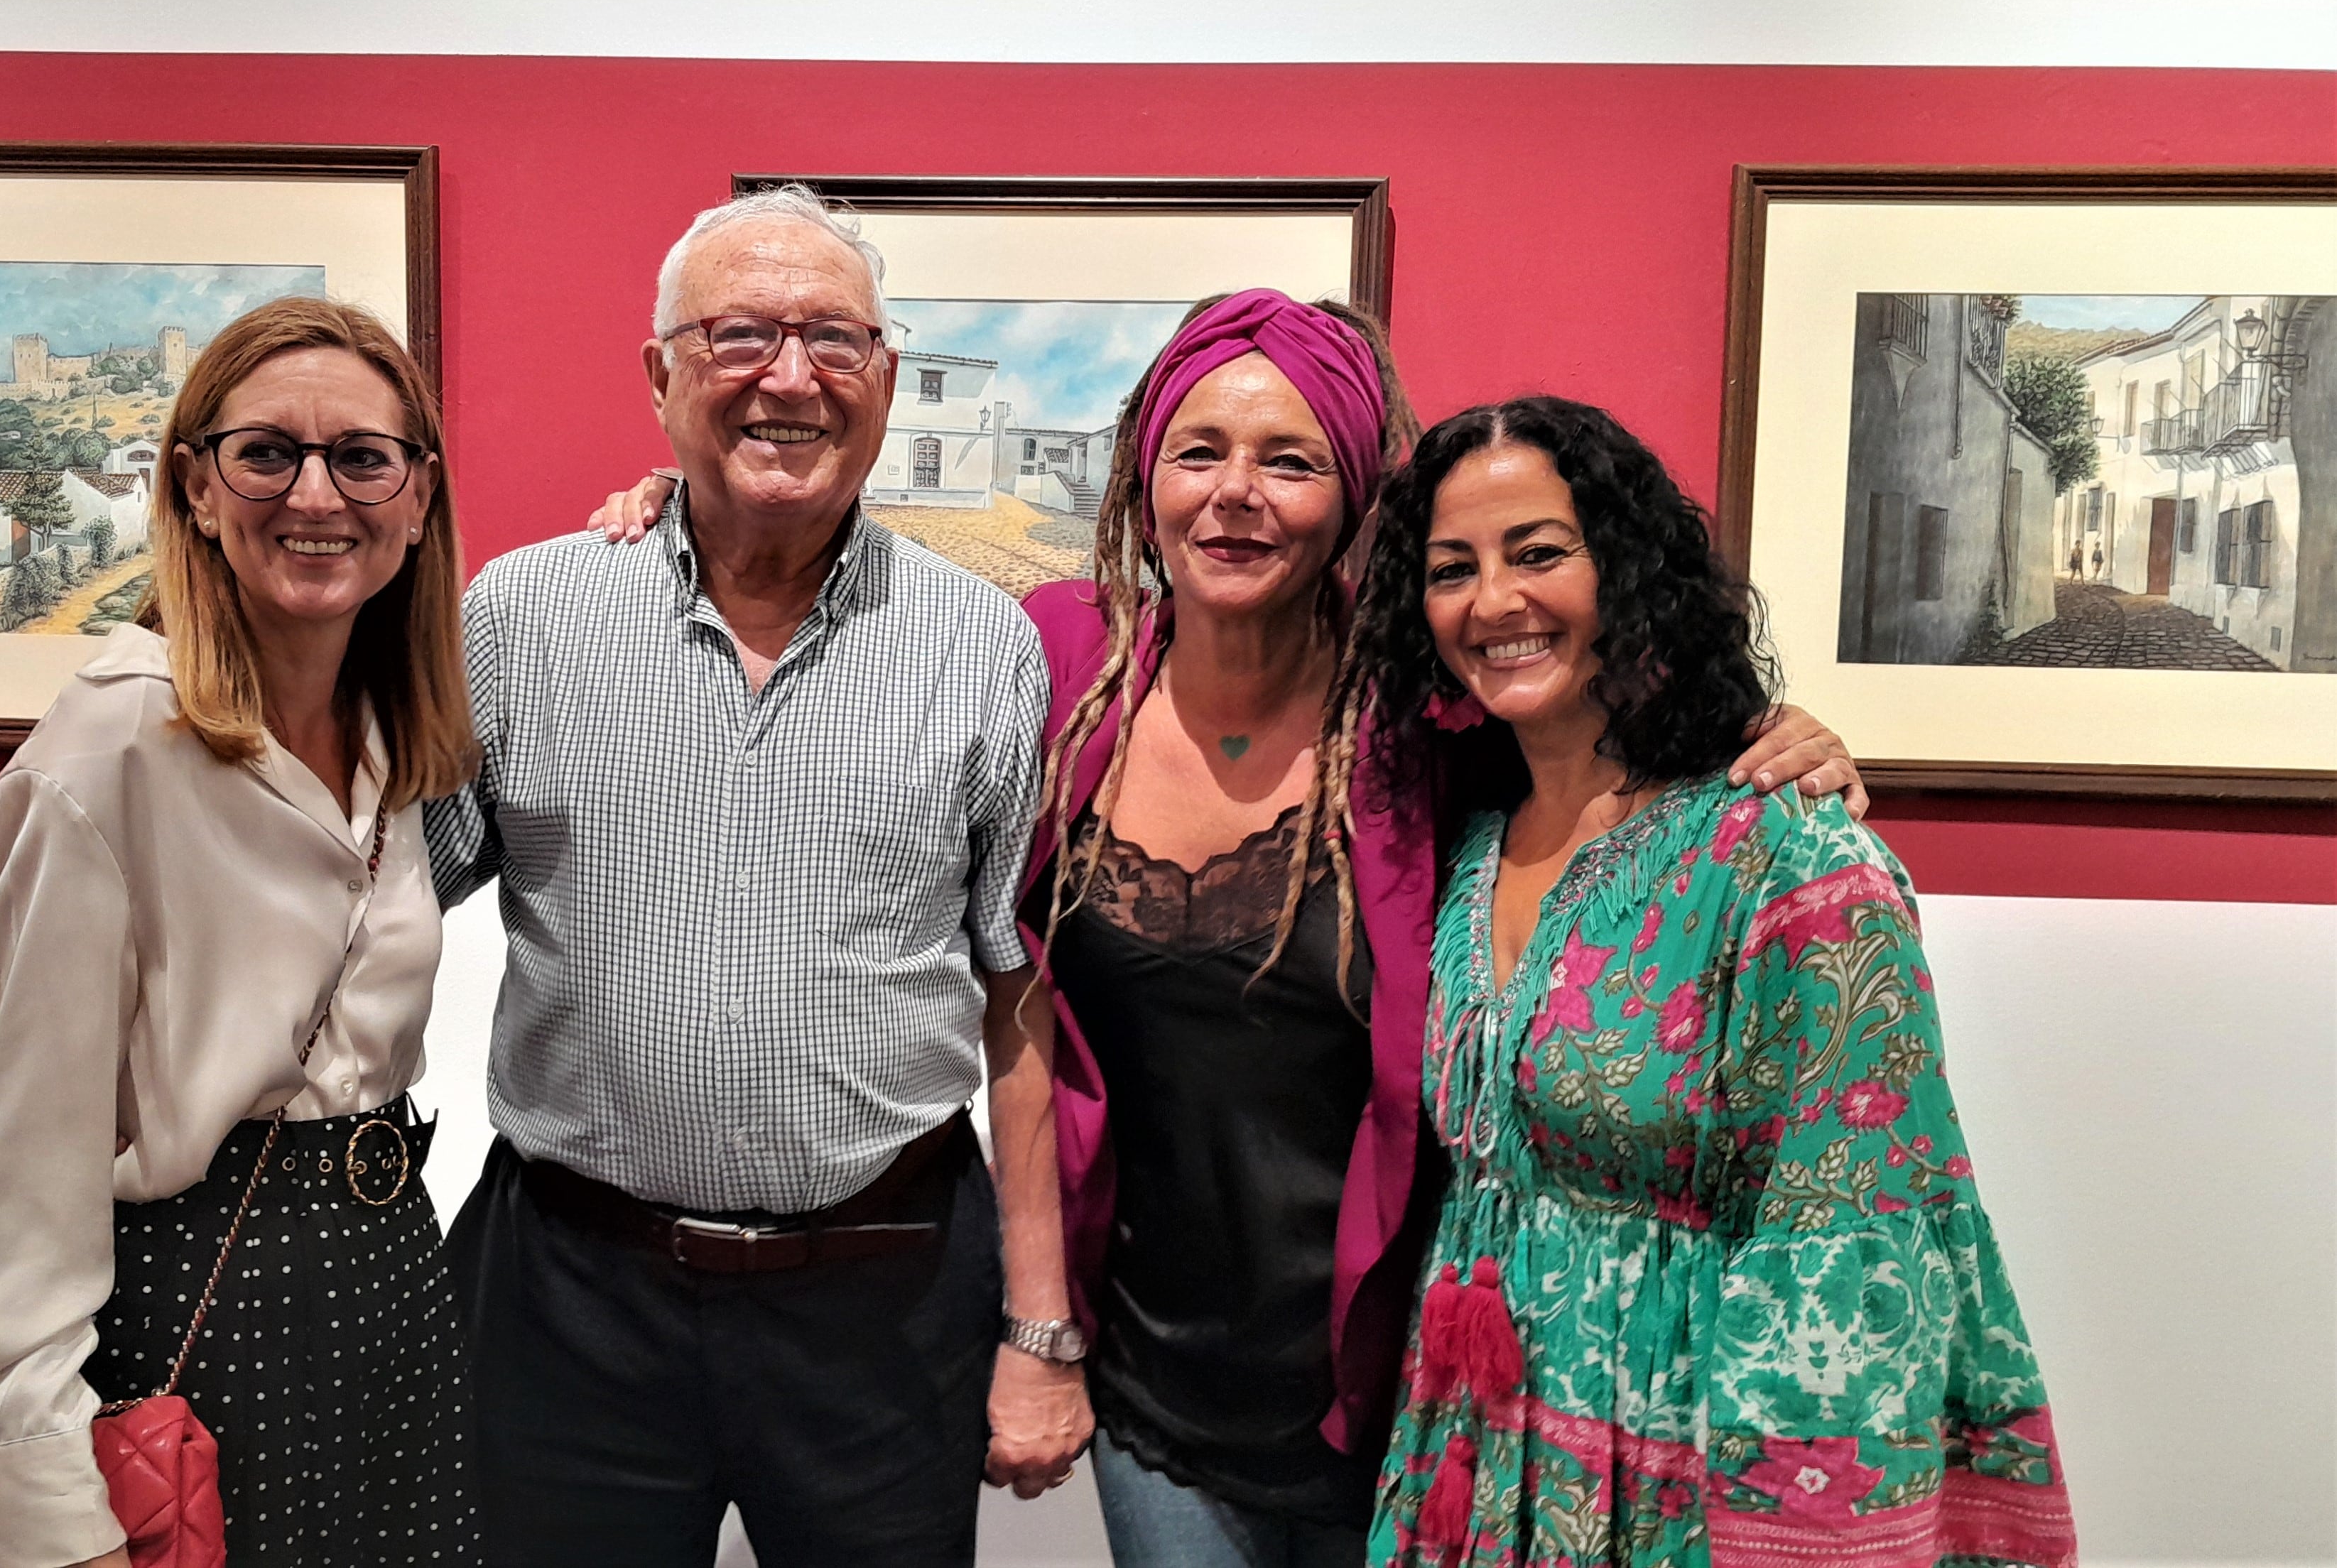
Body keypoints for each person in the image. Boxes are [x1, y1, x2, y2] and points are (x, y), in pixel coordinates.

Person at [587, 289, 1860, 1567]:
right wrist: (684, 501)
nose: (1235, 494)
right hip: (1165, 1398)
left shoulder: (1432, 715)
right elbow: (1010, 999)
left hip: (1413, 1389)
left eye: (1290, 461)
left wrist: (1776, 741)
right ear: (1145, 478)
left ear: (1357, 496)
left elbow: (1605, 712)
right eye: (1200, 453)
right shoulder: (1057, 666)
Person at [423, 185, 1080, 1567]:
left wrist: (1039, 1326)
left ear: (886, 379)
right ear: (659, 376)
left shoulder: (983, 648)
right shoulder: (522, 618)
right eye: (738, 337)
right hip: (567, 1300)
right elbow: (377, 905)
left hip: (884, 1299)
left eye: (834, 339)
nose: (790, 377)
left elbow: (1021, 1000)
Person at [1343, 396, 2077, 1567]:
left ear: (1629, 570)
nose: (1494, 603)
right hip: (1476, 1461)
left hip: (1684, 1471)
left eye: (1539, 553)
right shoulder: (1464, 839)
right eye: (1451, 569)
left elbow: (1859, 1260)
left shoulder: (1789, 860)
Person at [0, 295, 481, 1567]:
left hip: (391, 1291)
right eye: (266, 453)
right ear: (192, 485)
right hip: (207, 1308)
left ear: (416, 495)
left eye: (361, 456)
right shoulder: (113, 745)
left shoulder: (394, 736)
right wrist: (42, 1485)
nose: (317, 495)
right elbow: (27, 1150)